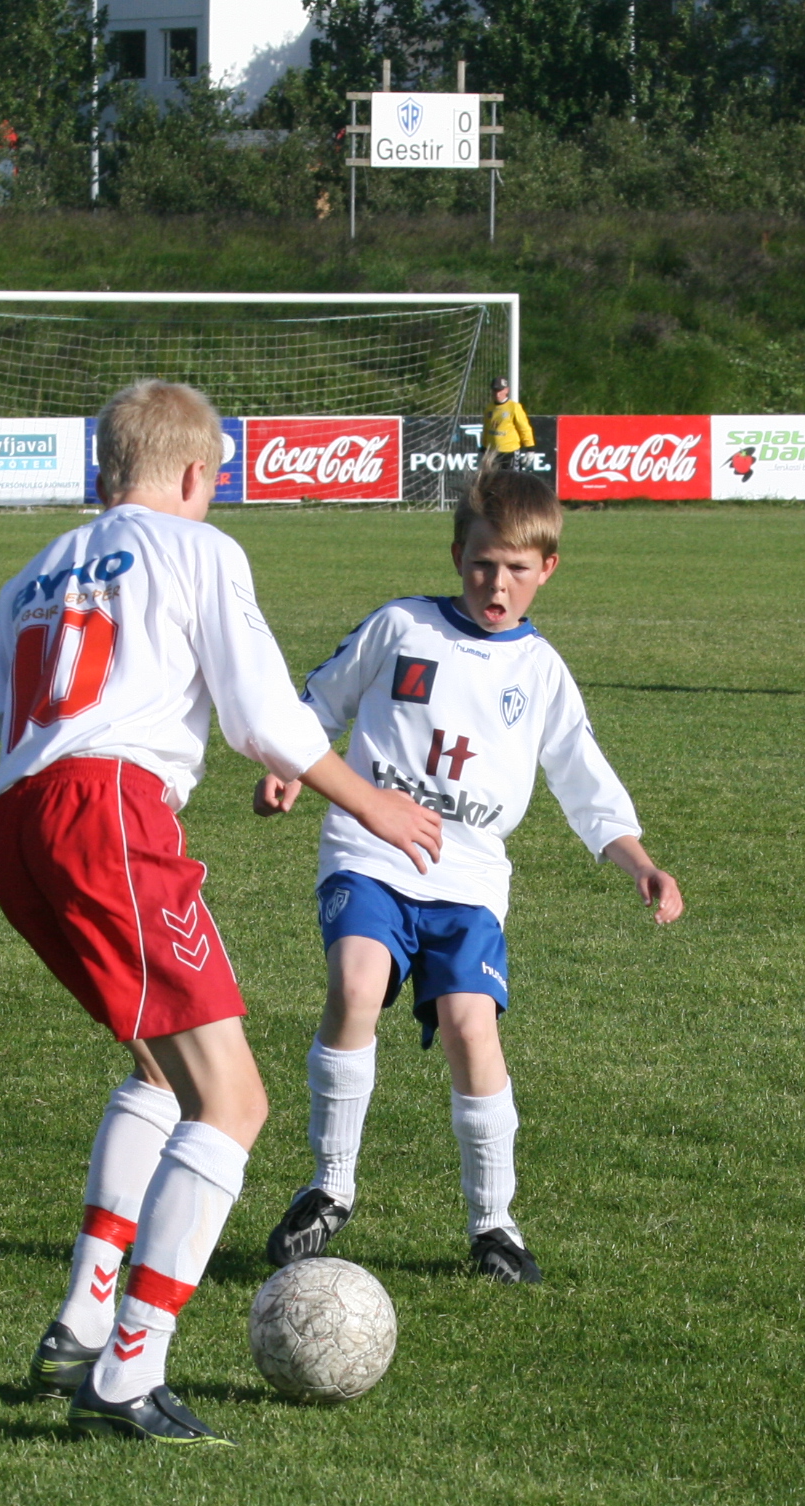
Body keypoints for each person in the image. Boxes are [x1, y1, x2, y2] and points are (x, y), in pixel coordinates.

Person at [0, 378, 445, 1445]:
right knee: (233, 1102)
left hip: (14, 827)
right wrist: (369, 800)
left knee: (161, 1067)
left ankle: (82, 1322)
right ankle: (128, 1369)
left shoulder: (36, 570)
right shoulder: (199, 549)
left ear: (106, 470)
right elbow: (261, 711)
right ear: (197, 474)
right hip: (106, 811)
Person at [253, 466, 683, 1286]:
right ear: (458, 556)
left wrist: (641, 863)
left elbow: (585, 781)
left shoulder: (541, 672)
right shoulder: (401, 627)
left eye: (518, 568)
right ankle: (330, 1187)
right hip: (371, 852)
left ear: (547, 569)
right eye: (483, 564)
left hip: (471, 878)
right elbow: (320, 703)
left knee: (469, 1028)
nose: (497, 583)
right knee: (355, 984)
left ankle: (494, 1225)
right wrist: (287, 766)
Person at [480, 375, 535, 469]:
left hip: (510, 451)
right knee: (494, 478)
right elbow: (486, 429)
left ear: (506, 390)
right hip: (492, 452)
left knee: (511, 477)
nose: (497, 394)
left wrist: (530, 448)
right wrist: (483, 448)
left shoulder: (514, 407)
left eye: (500, 390)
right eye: (495, 390)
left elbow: (524, 428)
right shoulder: (489, 408)